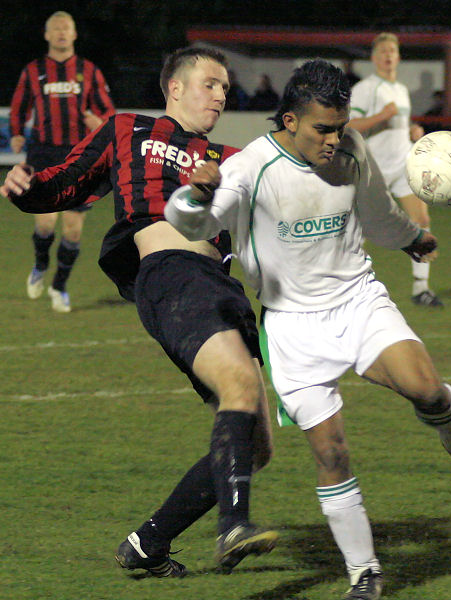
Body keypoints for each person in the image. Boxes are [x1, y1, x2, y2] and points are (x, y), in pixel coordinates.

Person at [164, 59, 451, 600]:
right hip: (291, 329)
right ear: (288, 120)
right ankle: (364, 572)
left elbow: (376, 212)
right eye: (321, 129)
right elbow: (190, 223)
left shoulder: (352, 147)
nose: (333, 139)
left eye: (339, 126)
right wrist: (198, 193)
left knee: (426, 387)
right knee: (331, 454)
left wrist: (410, 238)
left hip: (357, 301)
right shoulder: (248, 168)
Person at [1, 47, 278, 577]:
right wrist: (28, 189)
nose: (221, 94)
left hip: (224, 288)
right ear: (174, 87)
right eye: (209, 83)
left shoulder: (233, 157)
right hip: (171, 275)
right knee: (240, 390)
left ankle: (148, 543)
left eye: (225, 87)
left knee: (256, 445)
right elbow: (67, 180)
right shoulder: (129, 128)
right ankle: (234, 526)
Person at [9, 11, 115, 312]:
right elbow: (18, 107)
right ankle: (41, 264)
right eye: (55, 28)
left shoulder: (89, 71)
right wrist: (16, 133)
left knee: (73, 231)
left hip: (79, 156)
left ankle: (59, 286)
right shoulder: (33, 70)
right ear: (46, 34)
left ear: (74, 34)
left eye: (66, 28)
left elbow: (108, 111)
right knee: (44, 224)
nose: (60, 33)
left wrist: (100, 121)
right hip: (42, 154)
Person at [347, 33, 443, 307]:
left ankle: (421, 289)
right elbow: (350, 127)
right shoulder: (367, 88)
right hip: (373, 168)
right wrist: (382, 117)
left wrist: (412, 131)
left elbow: (399, 124)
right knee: (357, 231)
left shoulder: (400, 89)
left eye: (393, 51)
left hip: (402, 165)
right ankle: (342, 286)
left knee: (421, 220)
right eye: (383, 51)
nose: (389, 55)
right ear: (375, 58)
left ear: (398, 57)